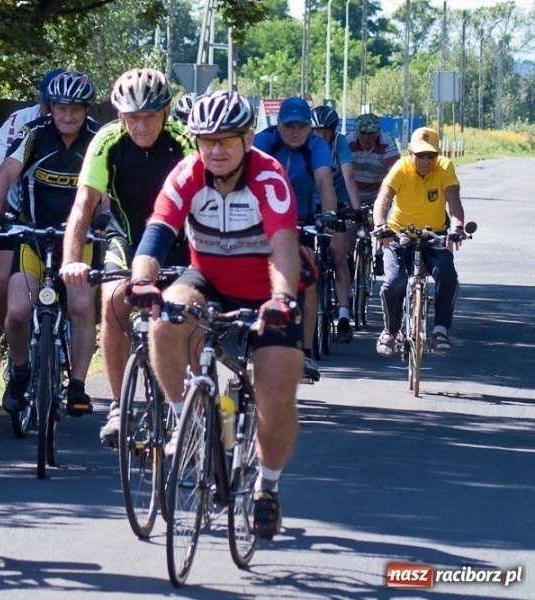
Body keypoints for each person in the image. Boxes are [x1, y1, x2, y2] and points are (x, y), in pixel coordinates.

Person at [127, 90, 303, 540]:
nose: (217, 150)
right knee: (166, 318)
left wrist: (281, 299)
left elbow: (283, 245)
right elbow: (157, 232)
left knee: (275, 390)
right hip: (207, 278)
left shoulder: (271, 177)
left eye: (227, 140)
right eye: (207, 141)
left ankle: (267, 486)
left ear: (247, 139)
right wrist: (143, 280)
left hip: (266, 289)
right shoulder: (186, 173)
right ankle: (185, 421)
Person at [58, 68, 195, 446]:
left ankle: (192, 398)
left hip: (180, 241)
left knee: (188, 312)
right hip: (128, 238)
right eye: (133, 116)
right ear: (120, 115)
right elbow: (82, 206)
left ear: (166, 113)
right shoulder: (106, 141)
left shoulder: (184, 141)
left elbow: (202, 201)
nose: (142, 124)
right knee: (113, 301)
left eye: (150, 115)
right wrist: (72, 260)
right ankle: (119, 404)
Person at [0, 71, 101, 417]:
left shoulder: (96, 140)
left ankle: (77, 386)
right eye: (61, 108)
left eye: (75, 110)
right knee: (18, 311)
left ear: (86, 110)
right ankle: (19, 373)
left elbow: (105, 186)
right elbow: (5, 173)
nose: (67, 117)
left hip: (80, 241)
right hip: (32, 235)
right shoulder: (34, 134)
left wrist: (105, 217)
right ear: (50, 107)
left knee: (80, 307)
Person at [0, 68, 64, 330]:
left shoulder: (76, 123)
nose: (56, 113)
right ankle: (12, 342)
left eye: (65, 106)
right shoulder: (20, 120)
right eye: (50, 106)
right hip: (20, 211)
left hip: (67, 212)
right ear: (39, 100)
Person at [253, 97, 338, 382]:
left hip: (300, 221)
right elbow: (245, 177)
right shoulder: (264, 141)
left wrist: (329, 218)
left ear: (309, 127)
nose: (294, 132)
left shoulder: (317, 146)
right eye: (288, 126)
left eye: (301, 126)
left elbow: (325, 181)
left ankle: (306, 351)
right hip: (262, 219)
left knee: (309, 274)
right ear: (278, 125)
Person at [373, 126, 467, 356]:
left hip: (433, 235)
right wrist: (380, 226)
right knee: (395, 282)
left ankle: (440, 328)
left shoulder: (445, 168)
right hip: (399, 235)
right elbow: (383, 199)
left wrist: (457, 227)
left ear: (438, 154)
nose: (425, 160)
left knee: (447, 274)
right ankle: (391, 331)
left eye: (431, 155)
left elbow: (454, 201)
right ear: (410, 152)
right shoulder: (400, 168)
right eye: (420, 155)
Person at [309, 105, 362, 343]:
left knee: (338, 255)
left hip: (337, 203)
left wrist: (356, 211)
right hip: (310, 204)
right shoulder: (305, 143)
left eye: (325, 131)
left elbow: (349, 177)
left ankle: (343, 315)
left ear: (333, 130)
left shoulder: (340, 144)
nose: (320, 136)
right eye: (316, 130)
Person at [347, 113, 400, 276]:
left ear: (378, 132)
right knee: (349, 227)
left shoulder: (388, 143)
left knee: (383, 222)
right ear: (357, 131)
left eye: (371, 133)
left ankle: (380, 254)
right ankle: (348, 257)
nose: (366, 137)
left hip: (378, 193)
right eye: (363, 133)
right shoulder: (348, 142)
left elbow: (395, 176)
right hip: (353, 193)